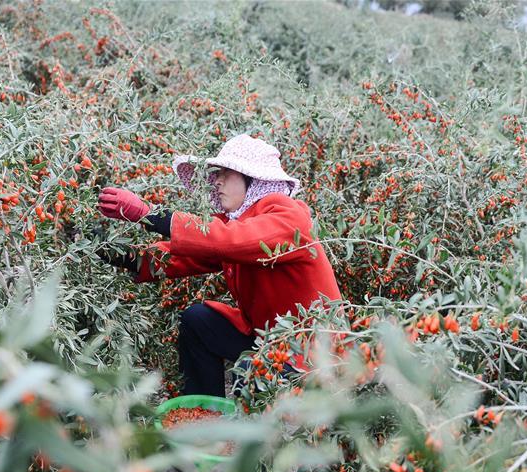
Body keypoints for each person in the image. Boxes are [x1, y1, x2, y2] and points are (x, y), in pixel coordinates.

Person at [96, 133, 342, 397]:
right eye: (218, 173)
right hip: (269, 338)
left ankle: (251, 432)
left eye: (228, 173)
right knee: (198, 321)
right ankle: (203, 413)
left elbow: (227, 239)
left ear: (254, 179)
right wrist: (116, 253)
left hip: (309, 351)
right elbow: (183, 256)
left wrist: (149, 215)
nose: (218, 180)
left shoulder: (288, 216)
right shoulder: (239, 221)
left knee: (250, 373)